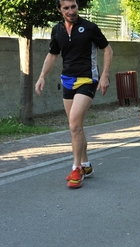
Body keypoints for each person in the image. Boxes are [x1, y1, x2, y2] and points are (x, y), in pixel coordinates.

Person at [35, 0, 113, 188]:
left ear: (78, 7)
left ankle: (76, 168)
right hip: (67, 80)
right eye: (66, 8)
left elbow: (108, 50)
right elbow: (53, 54)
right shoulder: (57, 30)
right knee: (75, 127)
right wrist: (42, 76)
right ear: (59, 10)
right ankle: (86, 164)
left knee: (74, 124)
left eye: (74, 7)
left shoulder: (89, 27)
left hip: (87, 79)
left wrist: (104, 76)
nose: (71, 11)